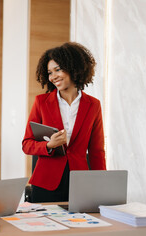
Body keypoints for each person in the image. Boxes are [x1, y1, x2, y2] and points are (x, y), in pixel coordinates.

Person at [22, 42, 106, 203]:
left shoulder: (93, 105)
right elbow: (26, 144)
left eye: (58, 69)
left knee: (84, 227)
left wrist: (100, 184)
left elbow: (97, 151)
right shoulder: (41, 102)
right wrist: (48, 145)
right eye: (50, 72)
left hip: (80, 182)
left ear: (74, 68)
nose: (53, 76)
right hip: (46, 183)